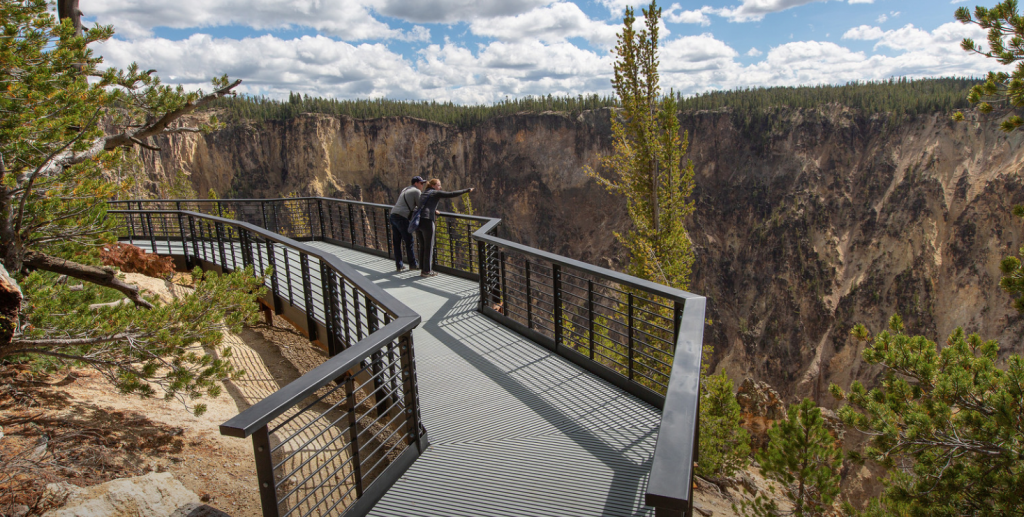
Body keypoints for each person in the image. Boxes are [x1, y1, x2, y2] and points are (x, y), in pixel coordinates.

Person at [416, 179, 474, 277]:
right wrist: (466, 190)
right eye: (439, 185)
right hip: (427, 220)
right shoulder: (435, 193)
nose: (440, 187)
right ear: (433, 185)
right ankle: (426, 271)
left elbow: (424, 205)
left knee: (423, 246)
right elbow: (451, 194)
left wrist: (433, 210)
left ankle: (422, 268)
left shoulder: (424, 193)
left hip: (418, 221)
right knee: (429, 246)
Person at [389, 175, 426, 272]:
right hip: (402, 217)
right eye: (421, 183)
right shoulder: (416, 191)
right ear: (416, 183)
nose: (422, 185)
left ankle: (399, 265)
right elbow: (420, 205)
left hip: (393, 215)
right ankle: (413, 264)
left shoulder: (405, 189)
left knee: (397, 242)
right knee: (409, 241)